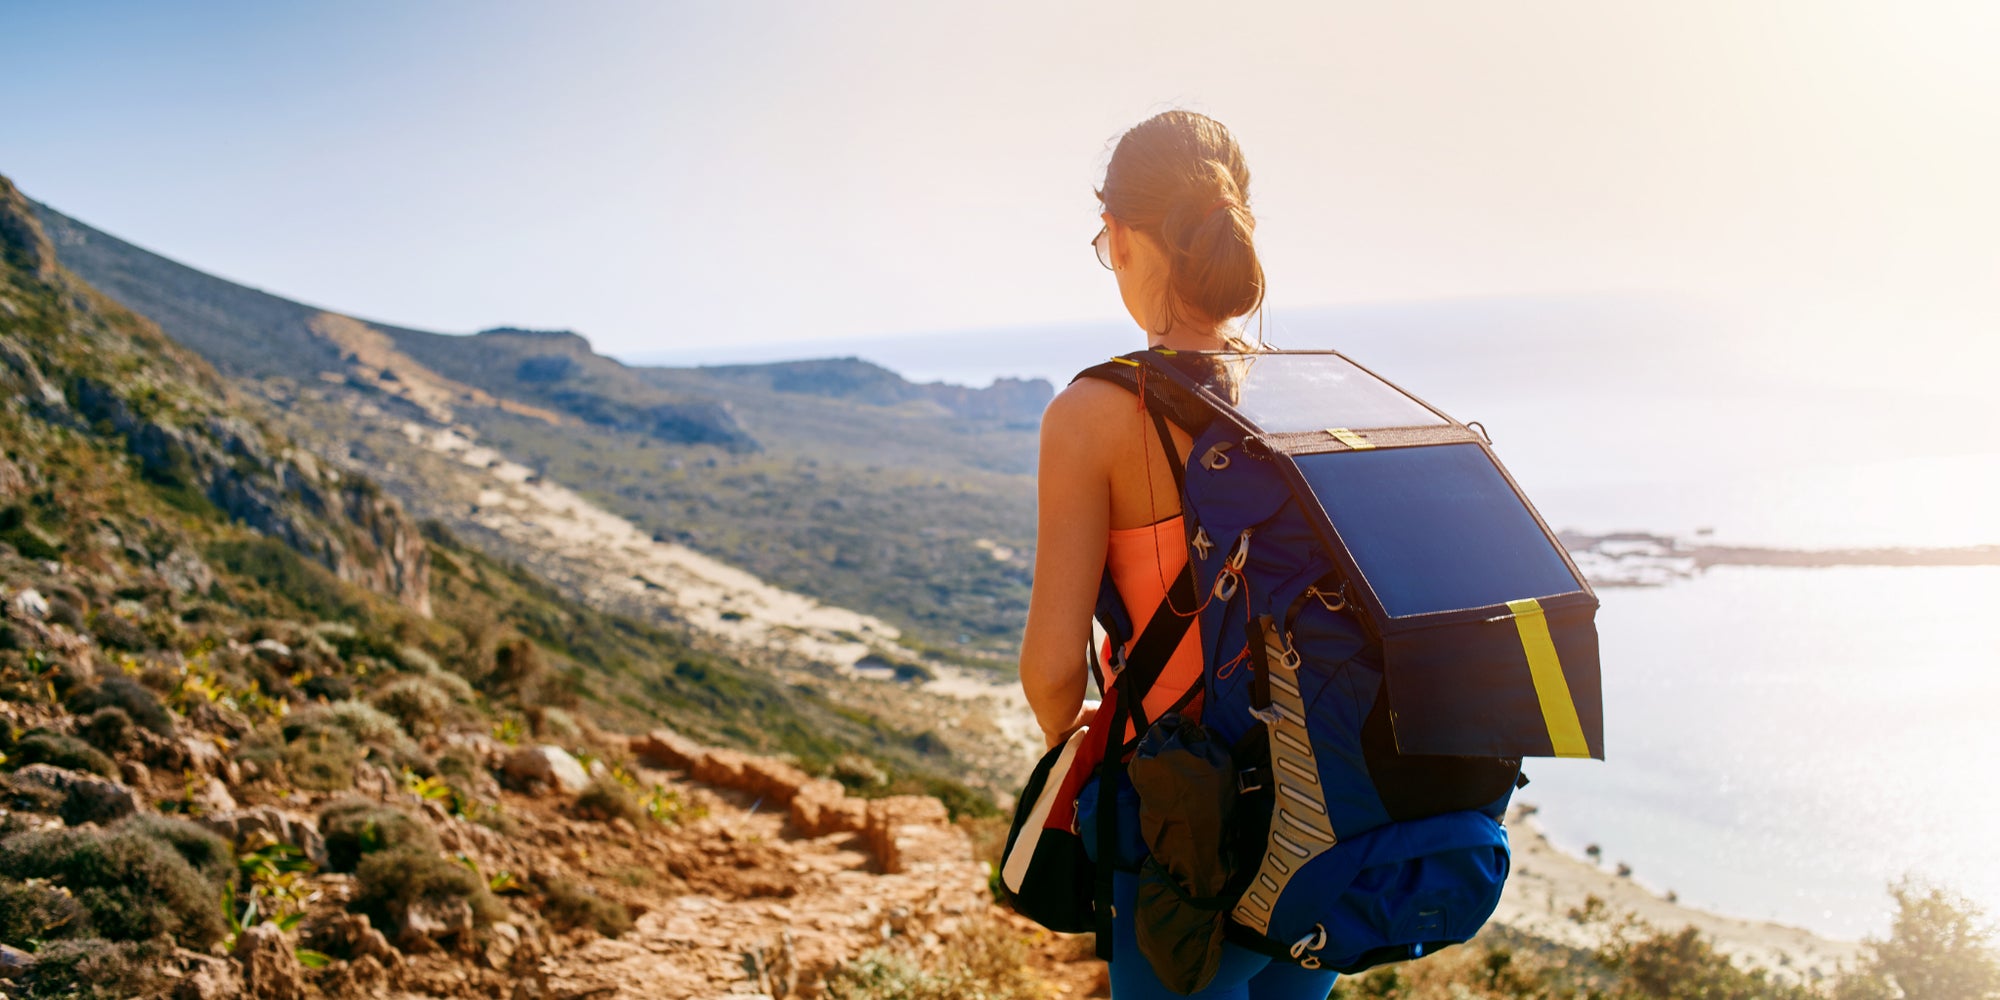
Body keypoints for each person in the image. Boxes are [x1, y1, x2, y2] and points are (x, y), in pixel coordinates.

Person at [1019, 111, 1340, 999]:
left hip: (1178, 820)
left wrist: (1072, 742)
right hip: (1317, 810)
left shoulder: (1093, 413)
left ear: (1120, 238)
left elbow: (1051, 672)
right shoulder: (1305, 392)